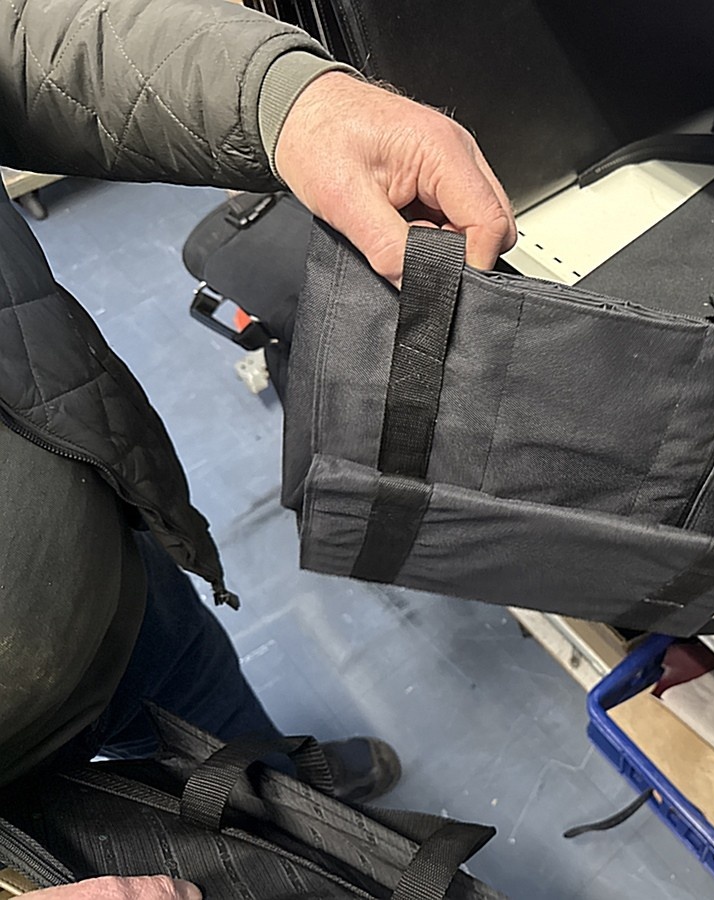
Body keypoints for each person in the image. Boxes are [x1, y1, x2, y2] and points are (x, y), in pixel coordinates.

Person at [0, 1, 517, 897]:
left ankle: (288, 798)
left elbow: (22, 43)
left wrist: (288, 101)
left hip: (107, 582)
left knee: (230, 742)